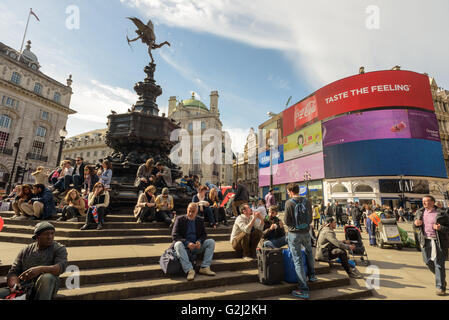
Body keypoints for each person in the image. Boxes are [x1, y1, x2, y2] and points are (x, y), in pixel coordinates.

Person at [0, 222, 67, 300]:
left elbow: (60, 268)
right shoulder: (26, 250)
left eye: (52, 233)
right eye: (46, 234)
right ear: (37, 236)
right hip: (24, 287)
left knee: (47, 277)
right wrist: (14, 284)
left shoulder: (59, 248)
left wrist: (40, 269)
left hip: (47, 286)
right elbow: (13, 272)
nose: (50, 237)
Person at [284, 183, 316, 300]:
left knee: (297, 260)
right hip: (306, 232)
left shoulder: (289, 203)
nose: (287, 193)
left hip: (294, 234)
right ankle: (312, 275)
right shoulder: (307, 201)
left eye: (288, 191)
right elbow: (311, 218)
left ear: (291, 191)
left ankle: (303, 289)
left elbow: (286, 220)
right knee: (309, 252)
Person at [171, 203, 216, 281]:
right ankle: (189, 270)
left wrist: (199, 241)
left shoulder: (200, 220)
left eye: (193, 211)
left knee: (211, 242)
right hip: (184, 247)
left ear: (197, 212)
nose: (191, 213)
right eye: (189, 211)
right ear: (187, 210)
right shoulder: (179, 219)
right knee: (177, 244)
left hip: (195, 246)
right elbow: (174, 235)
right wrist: (187, 243)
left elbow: (204, 235)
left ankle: (205, 267)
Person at [414, 195, 449, 296]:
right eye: (423, 201)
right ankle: (441, 278)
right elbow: (414, 225)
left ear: (433, 202)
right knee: (427, 261)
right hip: (425, 240)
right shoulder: (420, 212)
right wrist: (416, 223)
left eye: (428, 201)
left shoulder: (442, 213)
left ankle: (440, 286)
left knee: (439, 264)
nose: (425, 203)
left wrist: (440, 228)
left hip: (439, 241)